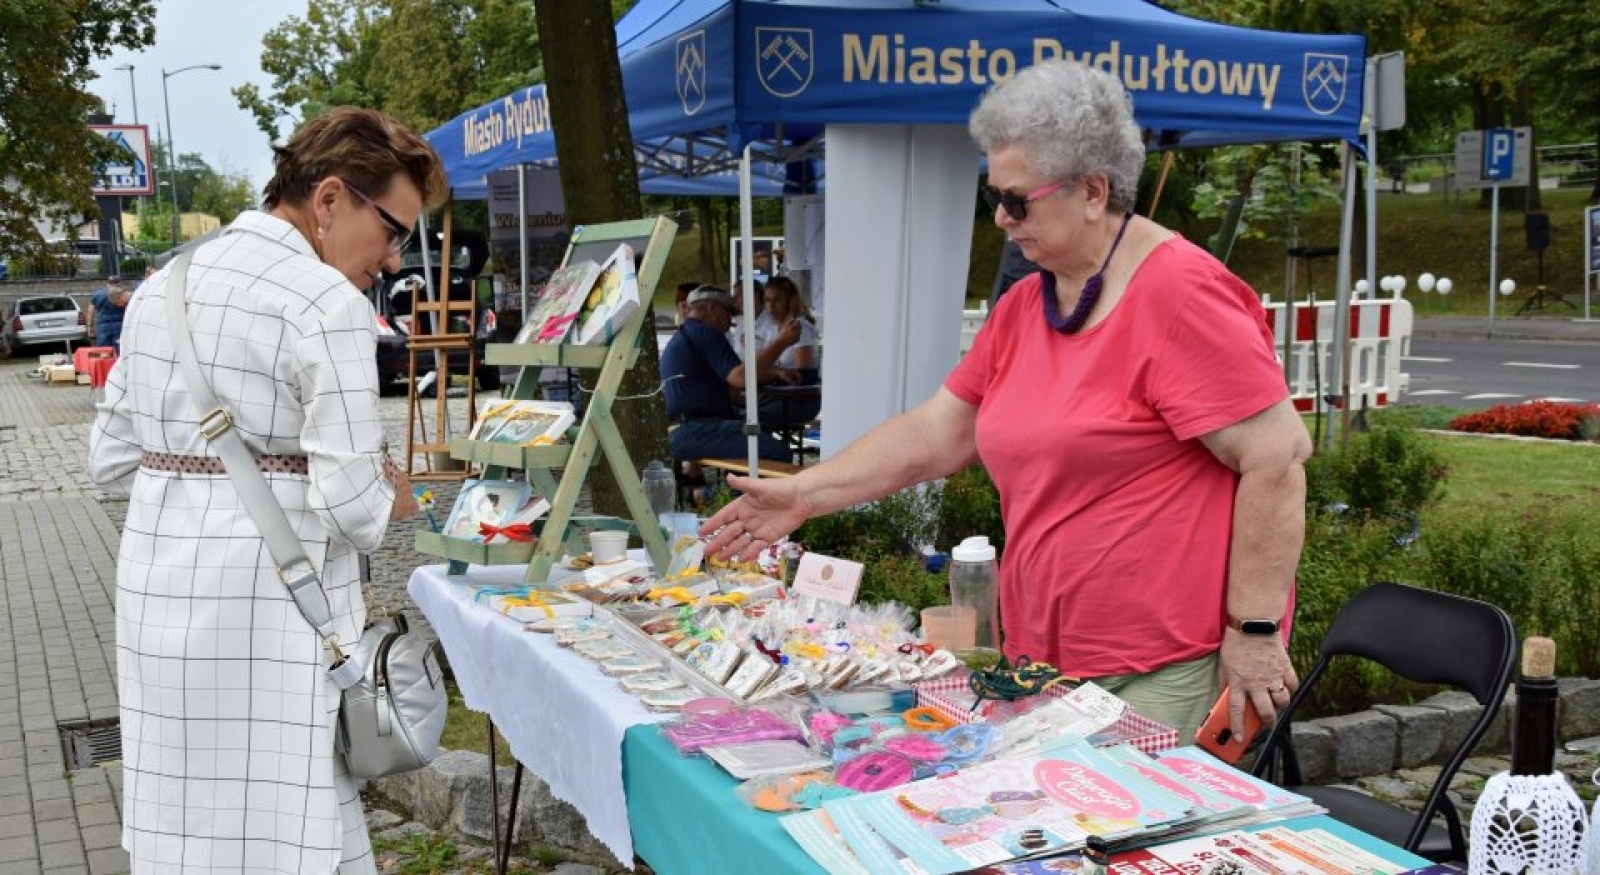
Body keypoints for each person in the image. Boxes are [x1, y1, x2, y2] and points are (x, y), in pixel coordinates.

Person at [702, 60, 1312, 742]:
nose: (999, 217)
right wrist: (807, 494)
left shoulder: (1182, 294)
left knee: (1120, 840)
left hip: (1162, 664)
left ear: (1093, 190)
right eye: (992, 195)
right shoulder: (1028, 302)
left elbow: (1277, 460)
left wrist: (1254, 630)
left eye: (1017, 200)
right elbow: (936, 432)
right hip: (1049, 659)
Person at [88, 106, 448, 874]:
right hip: (273, 623)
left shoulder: (164, 288)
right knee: (283, 831)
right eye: (392, 229)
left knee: (187, 832)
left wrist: (204, 467)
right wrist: (399, 497)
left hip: (159, 611)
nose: (392, 259)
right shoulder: (326, 307)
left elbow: (109, 462)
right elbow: (356, 514)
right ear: (328, 200)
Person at [662, 284, 799, 463]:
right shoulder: (708, 333)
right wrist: (782, 341)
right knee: (779, 453)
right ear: (713, 309)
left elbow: (732, 378)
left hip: (679, 429)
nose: (731, 320)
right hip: (697, 429)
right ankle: (735, 491)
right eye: (729, 313)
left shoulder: (685, 332)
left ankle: (725, 490)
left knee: (755, 435)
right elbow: (741, 378)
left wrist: (775, 373)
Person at [751, 275, 821, 429]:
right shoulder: (773, 329)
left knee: (754, 418)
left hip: (800, 401)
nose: (770, 306)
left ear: (789, 301)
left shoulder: (800, 328)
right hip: (776, 395)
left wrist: (772, 372)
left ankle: (771, 452)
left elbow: (802, 376)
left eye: (777, 300)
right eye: (767, 300)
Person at [90, 276, 132, 351]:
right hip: (119, 324)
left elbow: (91, 311)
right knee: (120, 349)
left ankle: (106, 363)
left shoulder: (97, 294)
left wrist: (90, 327)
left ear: (107, 283)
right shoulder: (123, 294)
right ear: (119, 283)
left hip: (103, 326)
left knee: (104, 351)